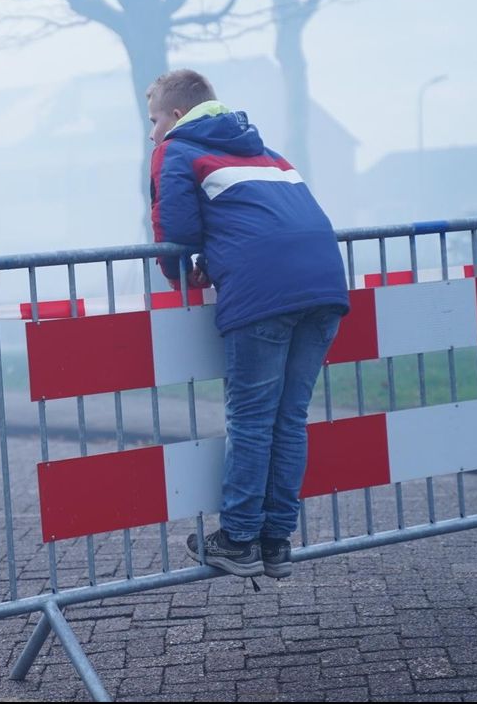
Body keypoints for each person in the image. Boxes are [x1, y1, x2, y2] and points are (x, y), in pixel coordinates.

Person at [146, 69, 350, 578]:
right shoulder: (266, 152)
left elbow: (177, 229)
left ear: (175, 114)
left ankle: (237, 539)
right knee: (289, 418)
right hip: (325, 285)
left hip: (265, 292)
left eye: (152, 120)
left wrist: (180, 276)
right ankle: (276, 540)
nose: (150, 132)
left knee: (253, 420)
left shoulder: (176, 150)